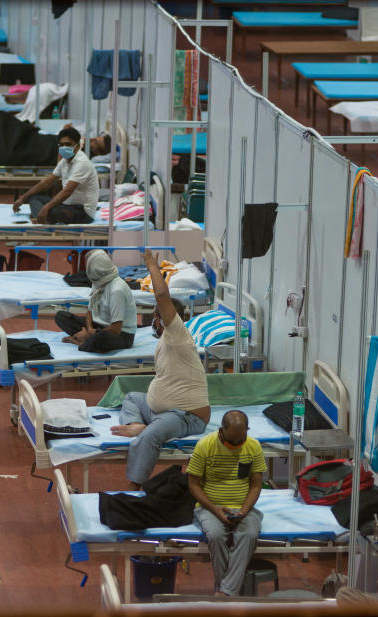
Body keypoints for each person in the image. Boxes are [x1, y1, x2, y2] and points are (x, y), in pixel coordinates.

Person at [111, 250, 210, 487]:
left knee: (150, 437)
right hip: (161, 412)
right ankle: (139, 426)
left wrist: (152, 267)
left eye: (156, 316)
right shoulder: (166, 340)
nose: (153, 321)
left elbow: (162, 295)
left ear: (163, 318)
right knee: (133, 398)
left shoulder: (178, 334)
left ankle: (134, 487)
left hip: (186, 416)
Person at [186, 410, 266, 596]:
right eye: (231, 442)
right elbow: (193, 485)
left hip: (243, 508)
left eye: (240, 440)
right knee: (215, 536)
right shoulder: (205, 446)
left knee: (249, 534)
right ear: (221, 431)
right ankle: (227, 592)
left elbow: (255, 486)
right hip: (210, 507)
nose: (235, 446)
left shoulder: (254, 447)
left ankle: (223, 592)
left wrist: (244, 511)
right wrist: (215, 509)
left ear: (247, 430)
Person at [11, 126, 98, 224]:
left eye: (68, 144)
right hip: (66, 205)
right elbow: (47, 182)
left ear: (77, 146)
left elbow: (67, 191)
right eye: (61, 145)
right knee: (34, 198)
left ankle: (42, 218)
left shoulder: (82, 163)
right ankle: (43, 218)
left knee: (52, 211)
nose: (64, 147)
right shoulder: (65, 161)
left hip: (83, 212)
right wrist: (23, 197)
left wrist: (46, 207)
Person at [54, 250, 136, 352]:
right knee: (61, 316)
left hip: (121, 334)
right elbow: (90, 310)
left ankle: (80, 342)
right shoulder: (98, 280)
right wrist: (89, 328)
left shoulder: (117, 290)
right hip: (98, 327)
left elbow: (116, 328)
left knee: (100, 339)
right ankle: (86, 339)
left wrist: (90, 334)